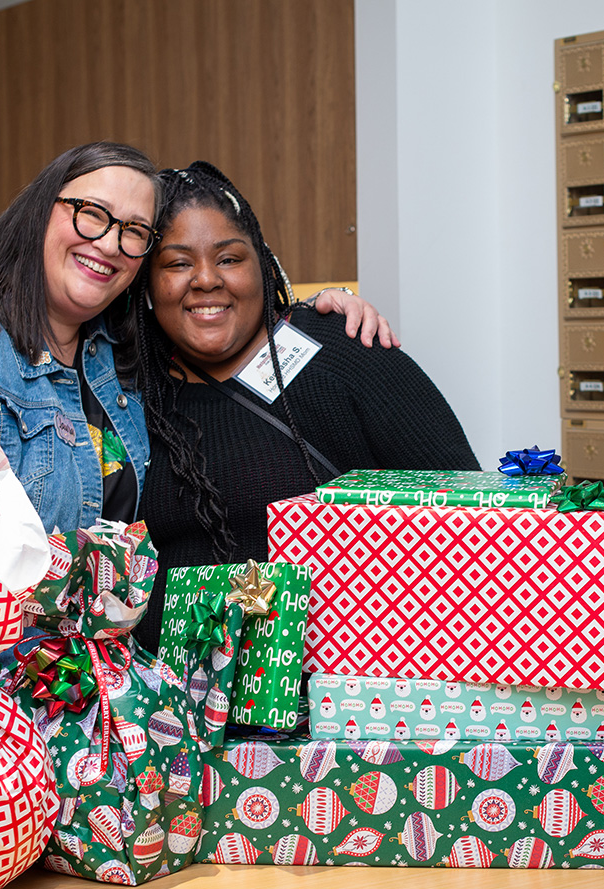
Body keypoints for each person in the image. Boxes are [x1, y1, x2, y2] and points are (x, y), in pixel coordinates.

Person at [0, 141, 391, 765]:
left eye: (134, 232)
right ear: (41, 212)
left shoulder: (118, 356)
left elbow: (212, 302)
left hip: (37, 694)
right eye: (91, 213)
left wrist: (316, 316)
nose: (110, 242)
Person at [132, 161, 479, 653]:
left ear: (265, 265)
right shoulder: (127, 394)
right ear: (146, 284)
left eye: (229, 259)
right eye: (177, 263)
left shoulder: (345, 350)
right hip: (177, 710)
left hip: (351, 699)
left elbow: (474, 518)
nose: (206, 280)